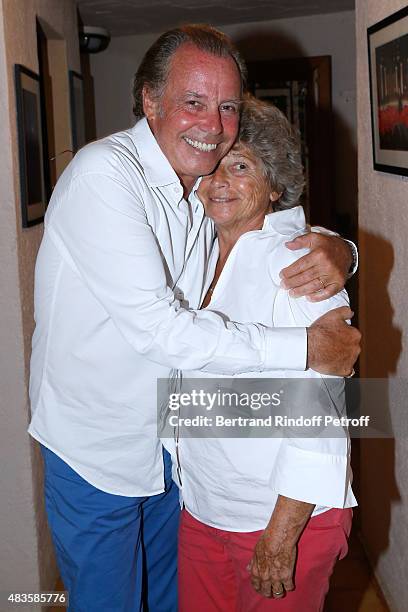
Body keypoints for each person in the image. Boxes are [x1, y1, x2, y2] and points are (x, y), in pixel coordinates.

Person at [28, 25, 360, 612]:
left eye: (227, 107)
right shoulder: (108, 179)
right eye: (193, 102)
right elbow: (162, 331)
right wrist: (303, 347)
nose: (212, 128)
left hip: (185, 475)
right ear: (150, 102)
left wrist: (344, 251)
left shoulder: (281, 251)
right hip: (101, 455)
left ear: (273, 183)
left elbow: (324, 413)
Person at [172, 95, 357, 612]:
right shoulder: (196, 250)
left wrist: (282, 533)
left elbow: (322, 410)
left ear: (275, 185)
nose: (220, 181)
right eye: (212, 166)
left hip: (281, 518)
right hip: (206, 507)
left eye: (241, 165)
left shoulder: (298, 261)